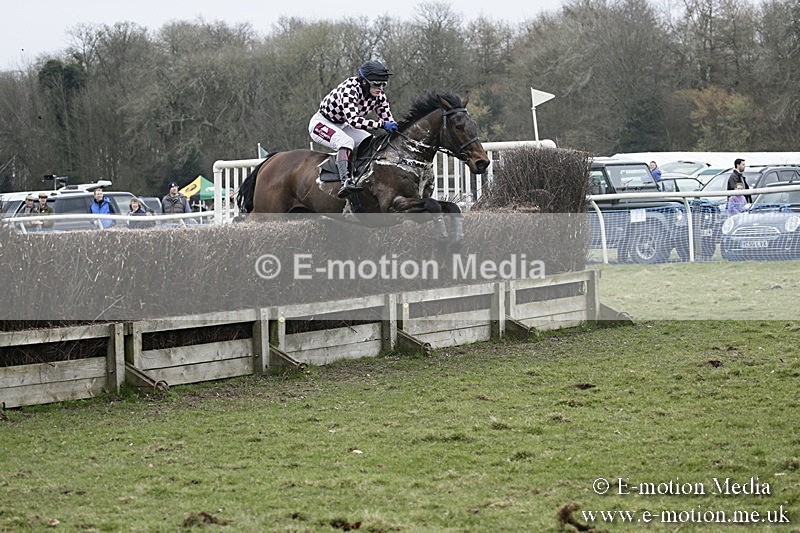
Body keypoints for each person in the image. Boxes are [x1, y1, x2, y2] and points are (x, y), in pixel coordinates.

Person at [308, 60, 398, 198]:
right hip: (322, 123)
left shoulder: (379, 97)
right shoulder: (349, 89)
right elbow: (354, 121)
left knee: (370, 141)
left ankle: (362, 175)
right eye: (376, 84)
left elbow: (388, 120)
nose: (380, 88)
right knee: (346, 142)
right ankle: (345, 182)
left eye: (383, 84)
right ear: (364, 82)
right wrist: (381, 125)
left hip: (343, 124)